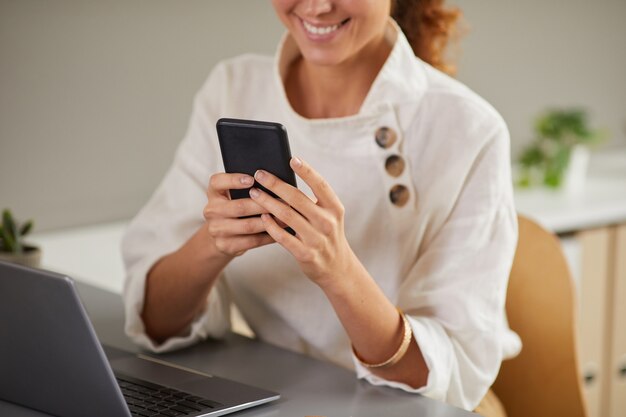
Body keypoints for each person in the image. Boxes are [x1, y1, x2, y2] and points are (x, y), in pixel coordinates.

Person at [121, 1, 521, 415]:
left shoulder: (470, 130)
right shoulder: (234, 87)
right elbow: (156, 322)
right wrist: (214, 242)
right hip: (283, 398)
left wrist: (338, 271)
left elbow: (441, 376)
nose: (316, 6)